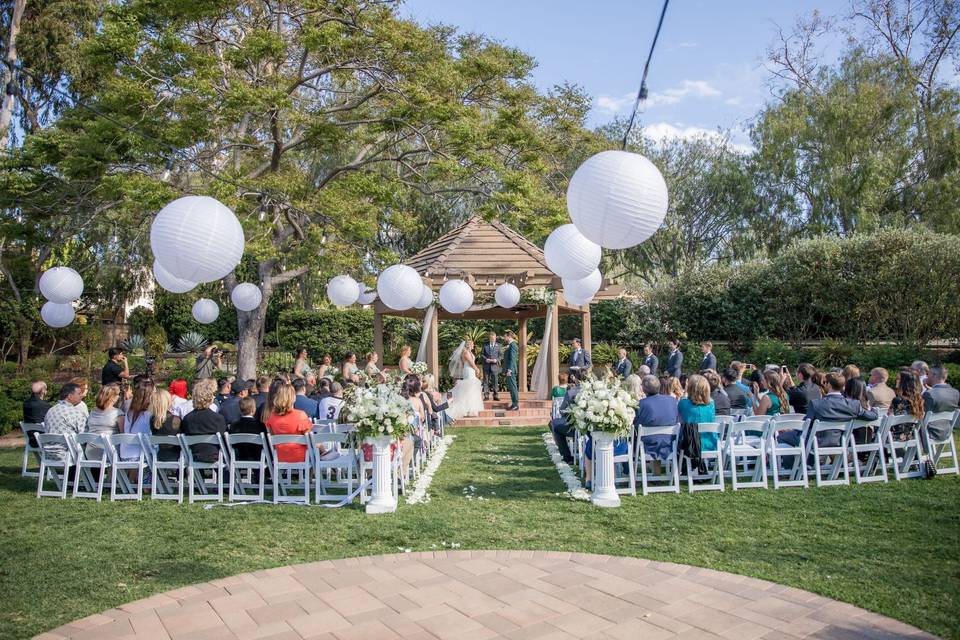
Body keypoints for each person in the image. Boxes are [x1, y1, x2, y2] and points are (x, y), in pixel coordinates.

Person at [802, 372, 878, 448]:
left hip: (816, 442)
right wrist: (872, 408)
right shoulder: (853, 405)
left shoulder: (816, 404)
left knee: (793, 440)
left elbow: (805, 425)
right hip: (841, 442)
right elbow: (873, 416)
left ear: (829, 385)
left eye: (824, 383)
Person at [633, 375, 680, 467]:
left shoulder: (640, 404)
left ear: (644, 389)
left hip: (648, 445)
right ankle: (656, 472)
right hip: (670, 443)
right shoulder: (672, 401)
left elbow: (635, 425)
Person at [180, 378, 228, 462]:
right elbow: (224, 441)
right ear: (210, 398)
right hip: (215, 456)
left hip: (194, 456)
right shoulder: (218, 418)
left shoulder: (187, 419)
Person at [42, 383, 88, 459]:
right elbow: (84, 437)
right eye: (79, 393)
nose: (82, 395)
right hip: (68, 454)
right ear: (69, 396)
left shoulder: (50, 410)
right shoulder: (76, 413)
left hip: (49, 453)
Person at [84, 384, 124, 461]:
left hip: (90, 452)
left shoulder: (92, 412)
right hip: (108, 452)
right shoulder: (118, 413)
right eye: (118, 395)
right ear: (112, 398)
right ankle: (114, 473)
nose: (119, 397)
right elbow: (123, 435)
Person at [549, 372, 583, 465]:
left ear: (576, 379)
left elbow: (563, 410)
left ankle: (567, 457)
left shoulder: (571, 392)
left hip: (575, 428)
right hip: (590, 428)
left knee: (555, 425)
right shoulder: (592, 390)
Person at [446, 339, 485, 418]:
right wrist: (477, 369)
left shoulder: (469, 352)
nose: (473, 346)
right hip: (468, 370)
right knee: (469, 387)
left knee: (471, 388)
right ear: (469, 345)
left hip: (470, 371)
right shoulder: (465, 352)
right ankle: (466, 408)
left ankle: (471, 408)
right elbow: (471, 363)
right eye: (472, 344)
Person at [678, 374, 717, 452]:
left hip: (690, 445)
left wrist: (685, 392)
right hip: (711, 443)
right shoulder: (711, 404)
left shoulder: (683, 403)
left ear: (689, 388)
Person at [922, 365, 959, 443]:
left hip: (930, 432)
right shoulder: (955, 393)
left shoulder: (929, 394)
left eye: (928, 374)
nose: (926, 376)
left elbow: (923, 415)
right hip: (946, 431)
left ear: (933, 375)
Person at [123, 380, 154, 460]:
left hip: (124, 455)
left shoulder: (129, 412)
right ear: (149, 396)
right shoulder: (148, 414)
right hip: (141, 456)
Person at [890, 369, 925, 441]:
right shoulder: (919, 400)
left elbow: (891, 420)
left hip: (895, 437)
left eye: (898, 379)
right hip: (912, 436)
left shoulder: (898, 400)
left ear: (904, 382)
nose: (896, 381)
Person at [228, 397, 266, 461]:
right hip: (257, 458)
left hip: (239, 457)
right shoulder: (260, 425)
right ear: (253, 410)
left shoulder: (233, 426)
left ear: (240, 410)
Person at [149, 388, 182, 461]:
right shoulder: (175, 420)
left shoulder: (152, 420)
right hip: (177, 457)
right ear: (167, 402)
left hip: (160, 456)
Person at [481, 332, 502, 401]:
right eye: (491, 338)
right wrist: (486, 359)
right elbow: (482, 354)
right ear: (489, 338)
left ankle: (495, 395)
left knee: (495, 381)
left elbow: (501, 355)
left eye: (494, 338)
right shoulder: (485, 345)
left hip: (495, 366)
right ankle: (486, 395)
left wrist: (496, 360)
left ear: (495, 338)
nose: (493, 340)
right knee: (485, 381)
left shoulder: (499, 345)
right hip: (486, 365)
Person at [502, 330, 520, 411]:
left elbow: (513, 359)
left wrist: (509, 370)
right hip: (509, 370)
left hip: (511, 370)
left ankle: (515, 404)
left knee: (513, 387)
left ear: (509, 337)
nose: (504, 338)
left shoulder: (513, 345)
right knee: (511, 387)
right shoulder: (510, 345)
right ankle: (513, 403)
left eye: (505, 336)